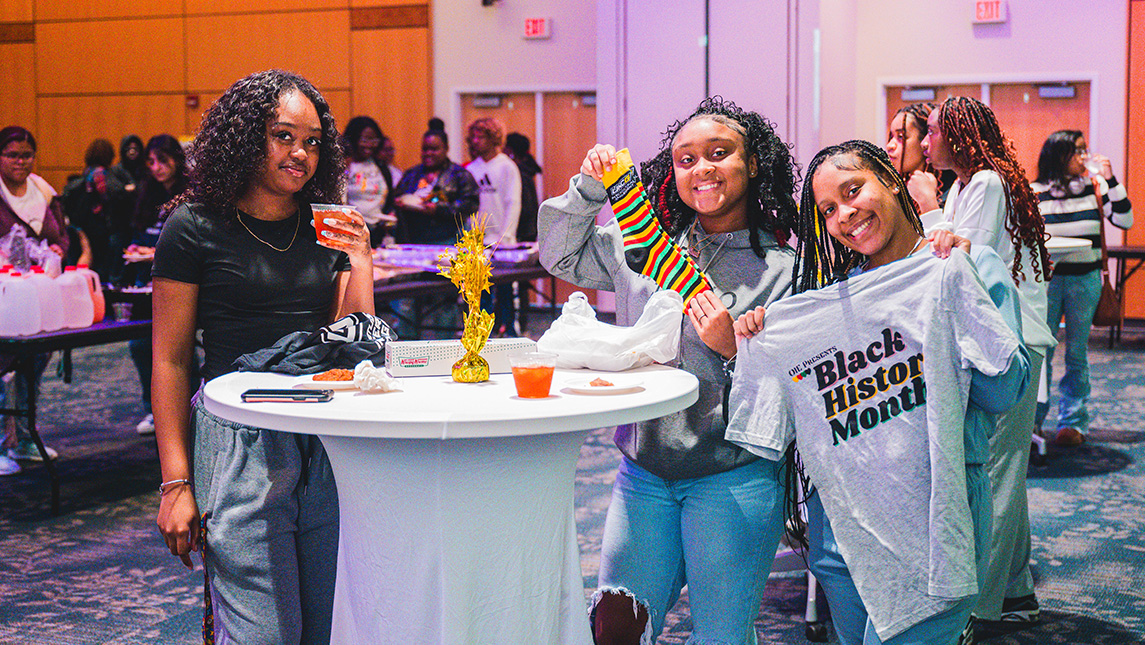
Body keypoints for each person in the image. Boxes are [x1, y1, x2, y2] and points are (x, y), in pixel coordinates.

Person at [728, 139, 1028, 645]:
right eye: (828, 209)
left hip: (935, 514)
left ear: (890, 179)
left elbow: (1004, 394)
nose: (845, 214)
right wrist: (760, 335)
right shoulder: (829, 299)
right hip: (843, 528)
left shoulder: (960, 265)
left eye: (853, 190)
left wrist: (961, 293)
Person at [539, 97, 799, 644]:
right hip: (644, 476)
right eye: (685, 159)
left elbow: (792, 390)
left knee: (721, 638)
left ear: (753, 164)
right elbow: (559, 256)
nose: (701, 169)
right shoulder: (643, 247)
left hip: (732, 477)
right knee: (615, 631)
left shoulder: (783, 271)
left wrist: (734, 350)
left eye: (718, 153)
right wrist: (590, 188)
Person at [152, 69, 373, 644]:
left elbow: (354, 342)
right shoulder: (194, 227)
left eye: (313, 141)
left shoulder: (325, 225)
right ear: (247, 137)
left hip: (323, 439)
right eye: (284, 136)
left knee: (324, 629)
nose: (300, 153)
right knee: (262, 634)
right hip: (239, 442)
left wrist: (360, 257)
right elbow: (171, 360)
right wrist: (175, 482)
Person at [922, 96, 1055, 625]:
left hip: (1011, 344)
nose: (926, 142)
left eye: (932, 132)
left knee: (997, 471)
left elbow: (960, 257)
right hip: (1004, 340)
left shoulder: (986, 184)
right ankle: (1017, 588)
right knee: (1007, 469)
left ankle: (982, 611)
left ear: (958, 135)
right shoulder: (964, 185)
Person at [1031, 131, 1133, 443]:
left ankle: (1072, 422)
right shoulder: (1034, 191)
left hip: (1084, 280)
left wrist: (1111, 179)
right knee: (1040, 352)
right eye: (1076, 151)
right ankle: (1032, 422)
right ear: (1058, 155)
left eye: (1083, 150)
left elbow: (1125, 220)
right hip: (1046, 282)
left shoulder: (1095, 187)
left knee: (1076, 352)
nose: (1083, 156)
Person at [0, 126, 69, 475]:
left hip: (38, 295)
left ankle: (25, 439)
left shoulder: (43, 191)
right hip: (4, 296)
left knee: (32, 366)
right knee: (2, 368)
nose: (20, 162)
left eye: (27, 155)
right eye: (12, 155)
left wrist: (58, 249)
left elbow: (61, 235)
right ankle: (2, 442)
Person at [126, 134, 190, 435]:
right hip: (144, 282)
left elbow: (187, 245)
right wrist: (137, 251)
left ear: (176, 160)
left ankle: (184, 406)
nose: (156, 168)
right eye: (151, 162)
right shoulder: (148, 194)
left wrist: (153, 254)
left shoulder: (190, 195)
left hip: (177, 282)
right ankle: (151, 407)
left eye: (162, 161)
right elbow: (139, 234)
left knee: (177, 350)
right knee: (138, 345)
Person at [466, 117, 521, 334]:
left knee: (506, 291)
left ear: (493, 137)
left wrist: (506, 237)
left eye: (480, 136)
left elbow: (513, 203)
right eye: (473, 137)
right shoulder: (471, 169)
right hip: (478, 243)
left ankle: (509, 331)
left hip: (502, 242)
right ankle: (483, 335)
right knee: (481, 294)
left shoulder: (507, 167)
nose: (475, 141)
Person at [392, 128, 479, 245]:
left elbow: (470, 205)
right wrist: (398, 205)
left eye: (434, 149)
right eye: (425, 149)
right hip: (414, 240)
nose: (428, 153)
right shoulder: (411, 174)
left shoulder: (460, 175)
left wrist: (439, 210)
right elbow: (397, 198)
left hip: (449, 240)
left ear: (446, 149)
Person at [884, 102, 956, 213]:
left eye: (901, 137)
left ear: (925, 140)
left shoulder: (953, 193)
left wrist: (927, 202)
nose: (890, 146)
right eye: (891, 136)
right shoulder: (897, 192)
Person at [342, 115, 397, 247]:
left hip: (378, 232)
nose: (370, 145)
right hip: (351, 233)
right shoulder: (344, 166)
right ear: (354, 139)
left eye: (374, 140)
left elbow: (389, 200)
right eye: (365, 140)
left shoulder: (381, 167)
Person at [504, 131, 541, 242]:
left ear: (509, 151)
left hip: (521, 234)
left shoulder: (519, 174)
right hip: (528, 231)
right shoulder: (526, 171)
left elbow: (525, 208)